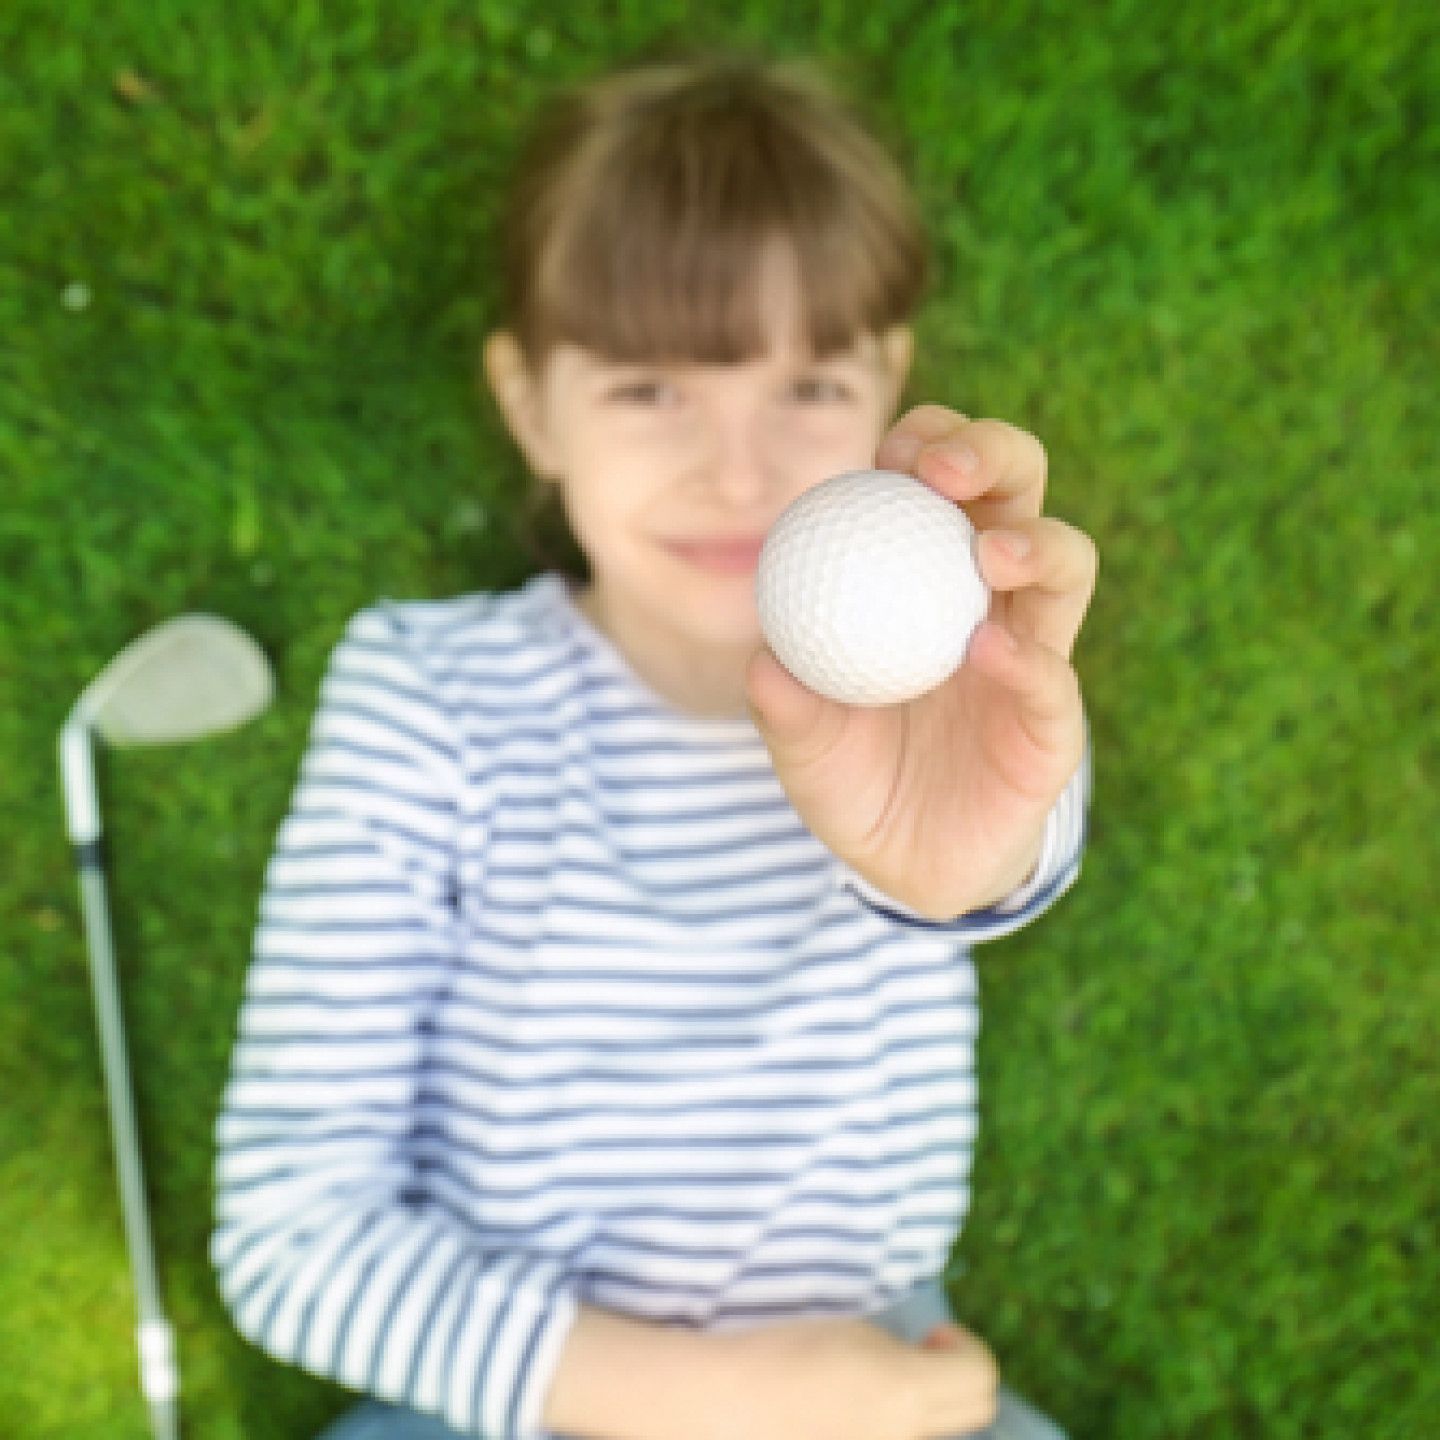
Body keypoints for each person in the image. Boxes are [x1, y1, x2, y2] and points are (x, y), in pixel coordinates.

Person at [211, 40, 1097, 1440]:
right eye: (649, 389)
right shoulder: (428, 700)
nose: (736, 468)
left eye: (805, 386)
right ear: (527, 405)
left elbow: (997, 855)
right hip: (527, 1397)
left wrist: (969, 868)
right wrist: (743, 1406)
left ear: (889, 380)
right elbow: (291, 1236)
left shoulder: (937, 689)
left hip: (872, 1365)